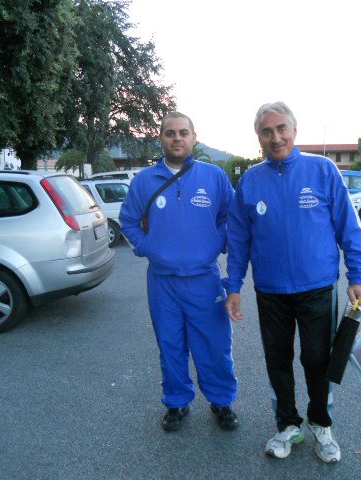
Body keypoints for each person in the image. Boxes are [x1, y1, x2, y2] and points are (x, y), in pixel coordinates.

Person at [225, 102, 361, 463]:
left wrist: (357, 277)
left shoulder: (322, 170)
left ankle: (321, 424)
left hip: (317, 288)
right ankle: (288, 425)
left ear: (294, 130)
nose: (275, 137)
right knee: (278, 360)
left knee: (318, 360)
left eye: (281, 129)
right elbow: (239, 240)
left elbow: (349, 227)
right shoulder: (250, 181)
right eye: (267, 131)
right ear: (258, 137)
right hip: (270, 291)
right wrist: (233, 286)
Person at [119, 111, 239, 432]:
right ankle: (176, 402)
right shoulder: (145, 181)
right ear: (160, 138)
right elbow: (128, 220)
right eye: (170, 133)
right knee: (170, 346)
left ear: (193, 138)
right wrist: (147, 247)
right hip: (162, 283)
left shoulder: (214, 177)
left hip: (205, 280)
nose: (177, 138)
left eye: (183, 133)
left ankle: (222, 400)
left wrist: (218, 243)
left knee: (214, 345)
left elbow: (231, 218)